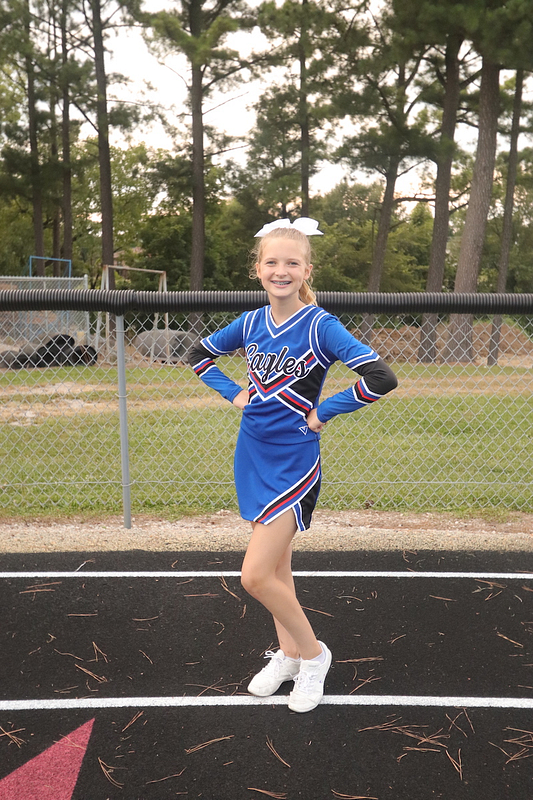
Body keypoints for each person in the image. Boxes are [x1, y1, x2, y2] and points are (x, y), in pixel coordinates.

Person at [188, 217, 397, 712]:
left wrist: (324, 412)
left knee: (255, 576)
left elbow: (381, 377)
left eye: (292, 263)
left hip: (295, 461)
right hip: (252, 453)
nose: (281, 271)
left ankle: (314, 655)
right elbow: (198, 355)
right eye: (271, 262)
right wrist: (234, 394)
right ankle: (287, 655)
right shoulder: (250, 322)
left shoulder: (321, 326)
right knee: (278, 569)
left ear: (306, 270)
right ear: (258, 269)